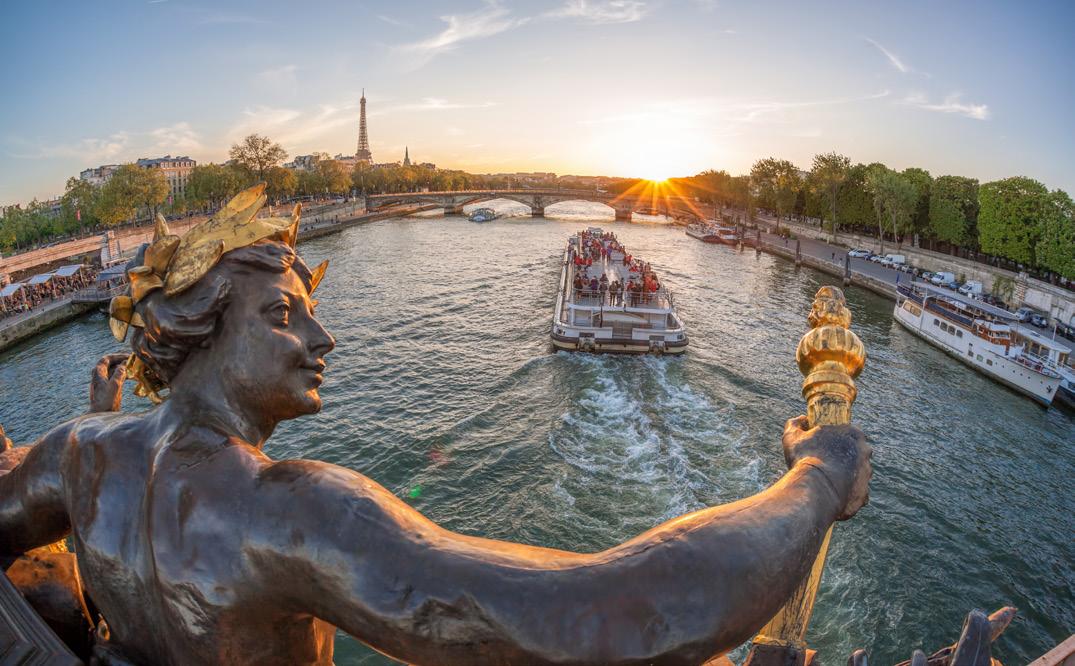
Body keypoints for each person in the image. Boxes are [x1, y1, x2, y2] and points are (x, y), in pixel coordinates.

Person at [0, 186, 871, 666]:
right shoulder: (292, 510)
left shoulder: (78, 451)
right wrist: (816, 480)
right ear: (200, 331)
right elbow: (608, 617)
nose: (322, 339)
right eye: (284, 315)